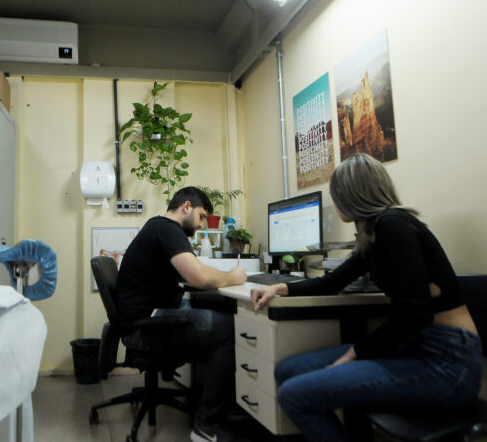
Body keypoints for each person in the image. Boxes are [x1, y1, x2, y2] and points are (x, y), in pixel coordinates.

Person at [250, 153, 482, 442]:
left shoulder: (394, 225)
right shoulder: (373, 232)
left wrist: (354, 354)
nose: (336, 202)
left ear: (352, 195)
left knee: (293, 396)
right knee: (288, 370)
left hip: (449, 362)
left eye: (337, 195)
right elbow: (333, 282)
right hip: (416, 345)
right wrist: (279, 288)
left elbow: (416, 312)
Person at [116, 186, 247, 442]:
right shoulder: (168, 229)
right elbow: (198, 277)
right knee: (229, 329)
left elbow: (193, 269)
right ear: (187, 207)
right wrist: (232, 277)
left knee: (220, 314)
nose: (201, 224)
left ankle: (215, 405)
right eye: (201, 216)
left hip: (145, 319)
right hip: (146, 327)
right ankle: (207, 425)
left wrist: (216, 277)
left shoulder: (157, 227)